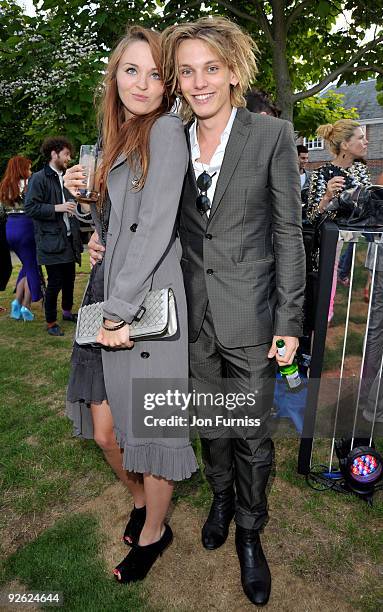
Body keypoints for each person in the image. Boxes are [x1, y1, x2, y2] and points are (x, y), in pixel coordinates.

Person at [160, 17, 305, 606]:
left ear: (235, 72)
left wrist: (288, 322)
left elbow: (289, 234)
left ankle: (251, 530)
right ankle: (220, 497)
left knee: (251, 433)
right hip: (192, 316)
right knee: (210, 426)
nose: (199, 83)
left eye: (211, 69)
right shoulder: (169, 140)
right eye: (188, 71)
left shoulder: (271, 136)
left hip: (252, 316)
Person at [64, 26, 197, 584]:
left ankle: (153, 531)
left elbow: (156, 225)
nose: (142, 84)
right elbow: (120, 224)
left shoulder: (166, 131)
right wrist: (88, 214)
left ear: (168, 87)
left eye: (156, 74)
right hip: (109, 293)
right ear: (113, 75)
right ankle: (144, 502)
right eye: (131, 70)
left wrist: (118, 309)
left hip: (143, 304)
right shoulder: (118, 134)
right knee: (106, 433)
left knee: (153, 434)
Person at [307, 120, 370, 324]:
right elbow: (311, 218)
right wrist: (326, 197)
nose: (366, 141)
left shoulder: (361, 171)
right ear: (345, 145)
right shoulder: (322, 174)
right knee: (324, 304)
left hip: (358, 246)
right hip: (329, 249)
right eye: (360, 138)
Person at [24, 137, 82, 336]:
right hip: (50, 240)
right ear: (54, 154)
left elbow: (75, 201)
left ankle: (67, 312)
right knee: (55, 282)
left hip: (68, 239)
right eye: (66, 154)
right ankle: (50, 322)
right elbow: (30, 207)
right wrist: (58, 208)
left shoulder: (67, 177)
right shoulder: (39, 178)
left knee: (70, 280)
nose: (69, 158)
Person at [0, 156, 43, 320]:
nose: (31, 171)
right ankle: (25, 306)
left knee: (27, 265)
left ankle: (17, 303)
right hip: (26, 226)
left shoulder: (4, 186)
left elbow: (1, 212)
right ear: (22, 168)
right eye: (29, 168)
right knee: (32, 266)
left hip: (10, 227)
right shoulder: (28, 184)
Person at [297, 144, 311, 211]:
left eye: (307, 158)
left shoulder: (312, 177)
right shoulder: (286, 177)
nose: (306, 161)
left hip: (306, 216)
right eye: (303, 158)